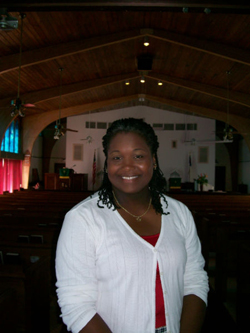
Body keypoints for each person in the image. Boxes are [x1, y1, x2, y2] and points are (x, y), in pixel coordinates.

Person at [55, 118, 209, 333]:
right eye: (117, 157)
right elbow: (76, 305)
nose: (127, 166)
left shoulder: (179, 213)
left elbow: (194, 279)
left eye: (138, 156)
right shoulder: (83, 219)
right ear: (107, 163)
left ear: (153, 160)